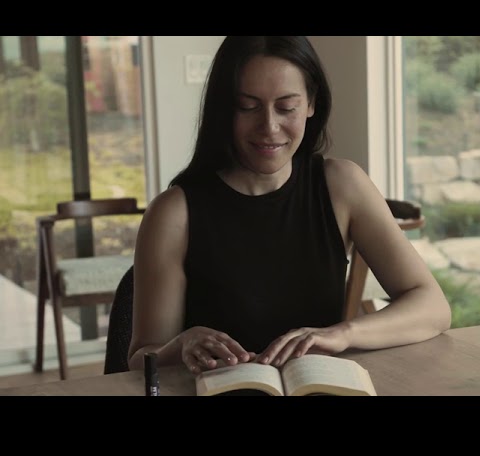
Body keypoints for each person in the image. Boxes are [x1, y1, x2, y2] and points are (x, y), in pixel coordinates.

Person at [127, 36, 451, 375]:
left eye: (286, 107)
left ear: (311, 103)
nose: (269, 127)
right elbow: (140, 359)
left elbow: (433, 306)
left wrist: (343, 334)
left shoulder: (342, 186)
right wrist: (180, 345)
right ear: (225, 108)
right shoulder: (174, 213)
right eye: (248, 106)